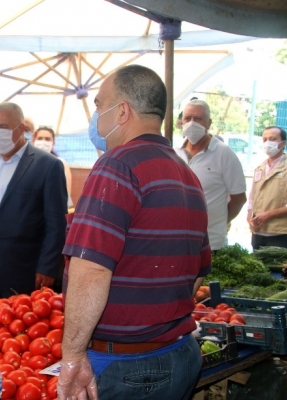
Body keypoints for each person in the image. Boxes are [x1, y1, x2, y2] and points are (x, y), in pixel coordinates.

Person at [58, 65, 210, 400]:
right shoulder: (186, 174)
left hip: (128, 367)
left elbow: (92, 270)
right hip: (179, 354)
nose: (96, 117)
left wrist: (72, 356)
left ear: (122, 111)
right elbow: (199, 274)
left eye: (99, 106)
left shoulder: (117, 165)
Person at [0, 103, 67, 299]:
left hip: (23, 273)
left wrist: (48, 266)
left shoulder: (48, 166)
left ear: (21, 129)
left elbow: (56, 224)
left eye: (3, 127)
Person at [174, 100, 247, 251]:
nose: (192, 123)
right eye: (187, 118)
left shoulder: (224, 153)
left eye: (198, 118)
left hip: (211, 243)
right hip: (178, 241)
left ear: (209, 123)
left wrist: (219, 221)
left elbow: (239, 198)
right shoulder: (175, 153)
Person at [248, 126, 287, 250]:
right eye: (265, 139)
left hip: (279, 233)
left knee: (275, 268)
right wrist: (249, 218)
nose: (267, 143)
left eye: (272, 139)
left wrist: (268, 215)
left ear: (283, 143)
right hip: (257, 232)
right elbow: (252, 199)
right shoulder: (260, 168)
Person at [32, 126, 73, 208]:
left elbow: (66, 194)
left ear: (53, 143)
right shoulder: (26, 163)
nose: (43, 142)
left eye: (47, 139)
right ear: (34, 141)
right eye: (40, 138)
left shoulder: (60, 163)